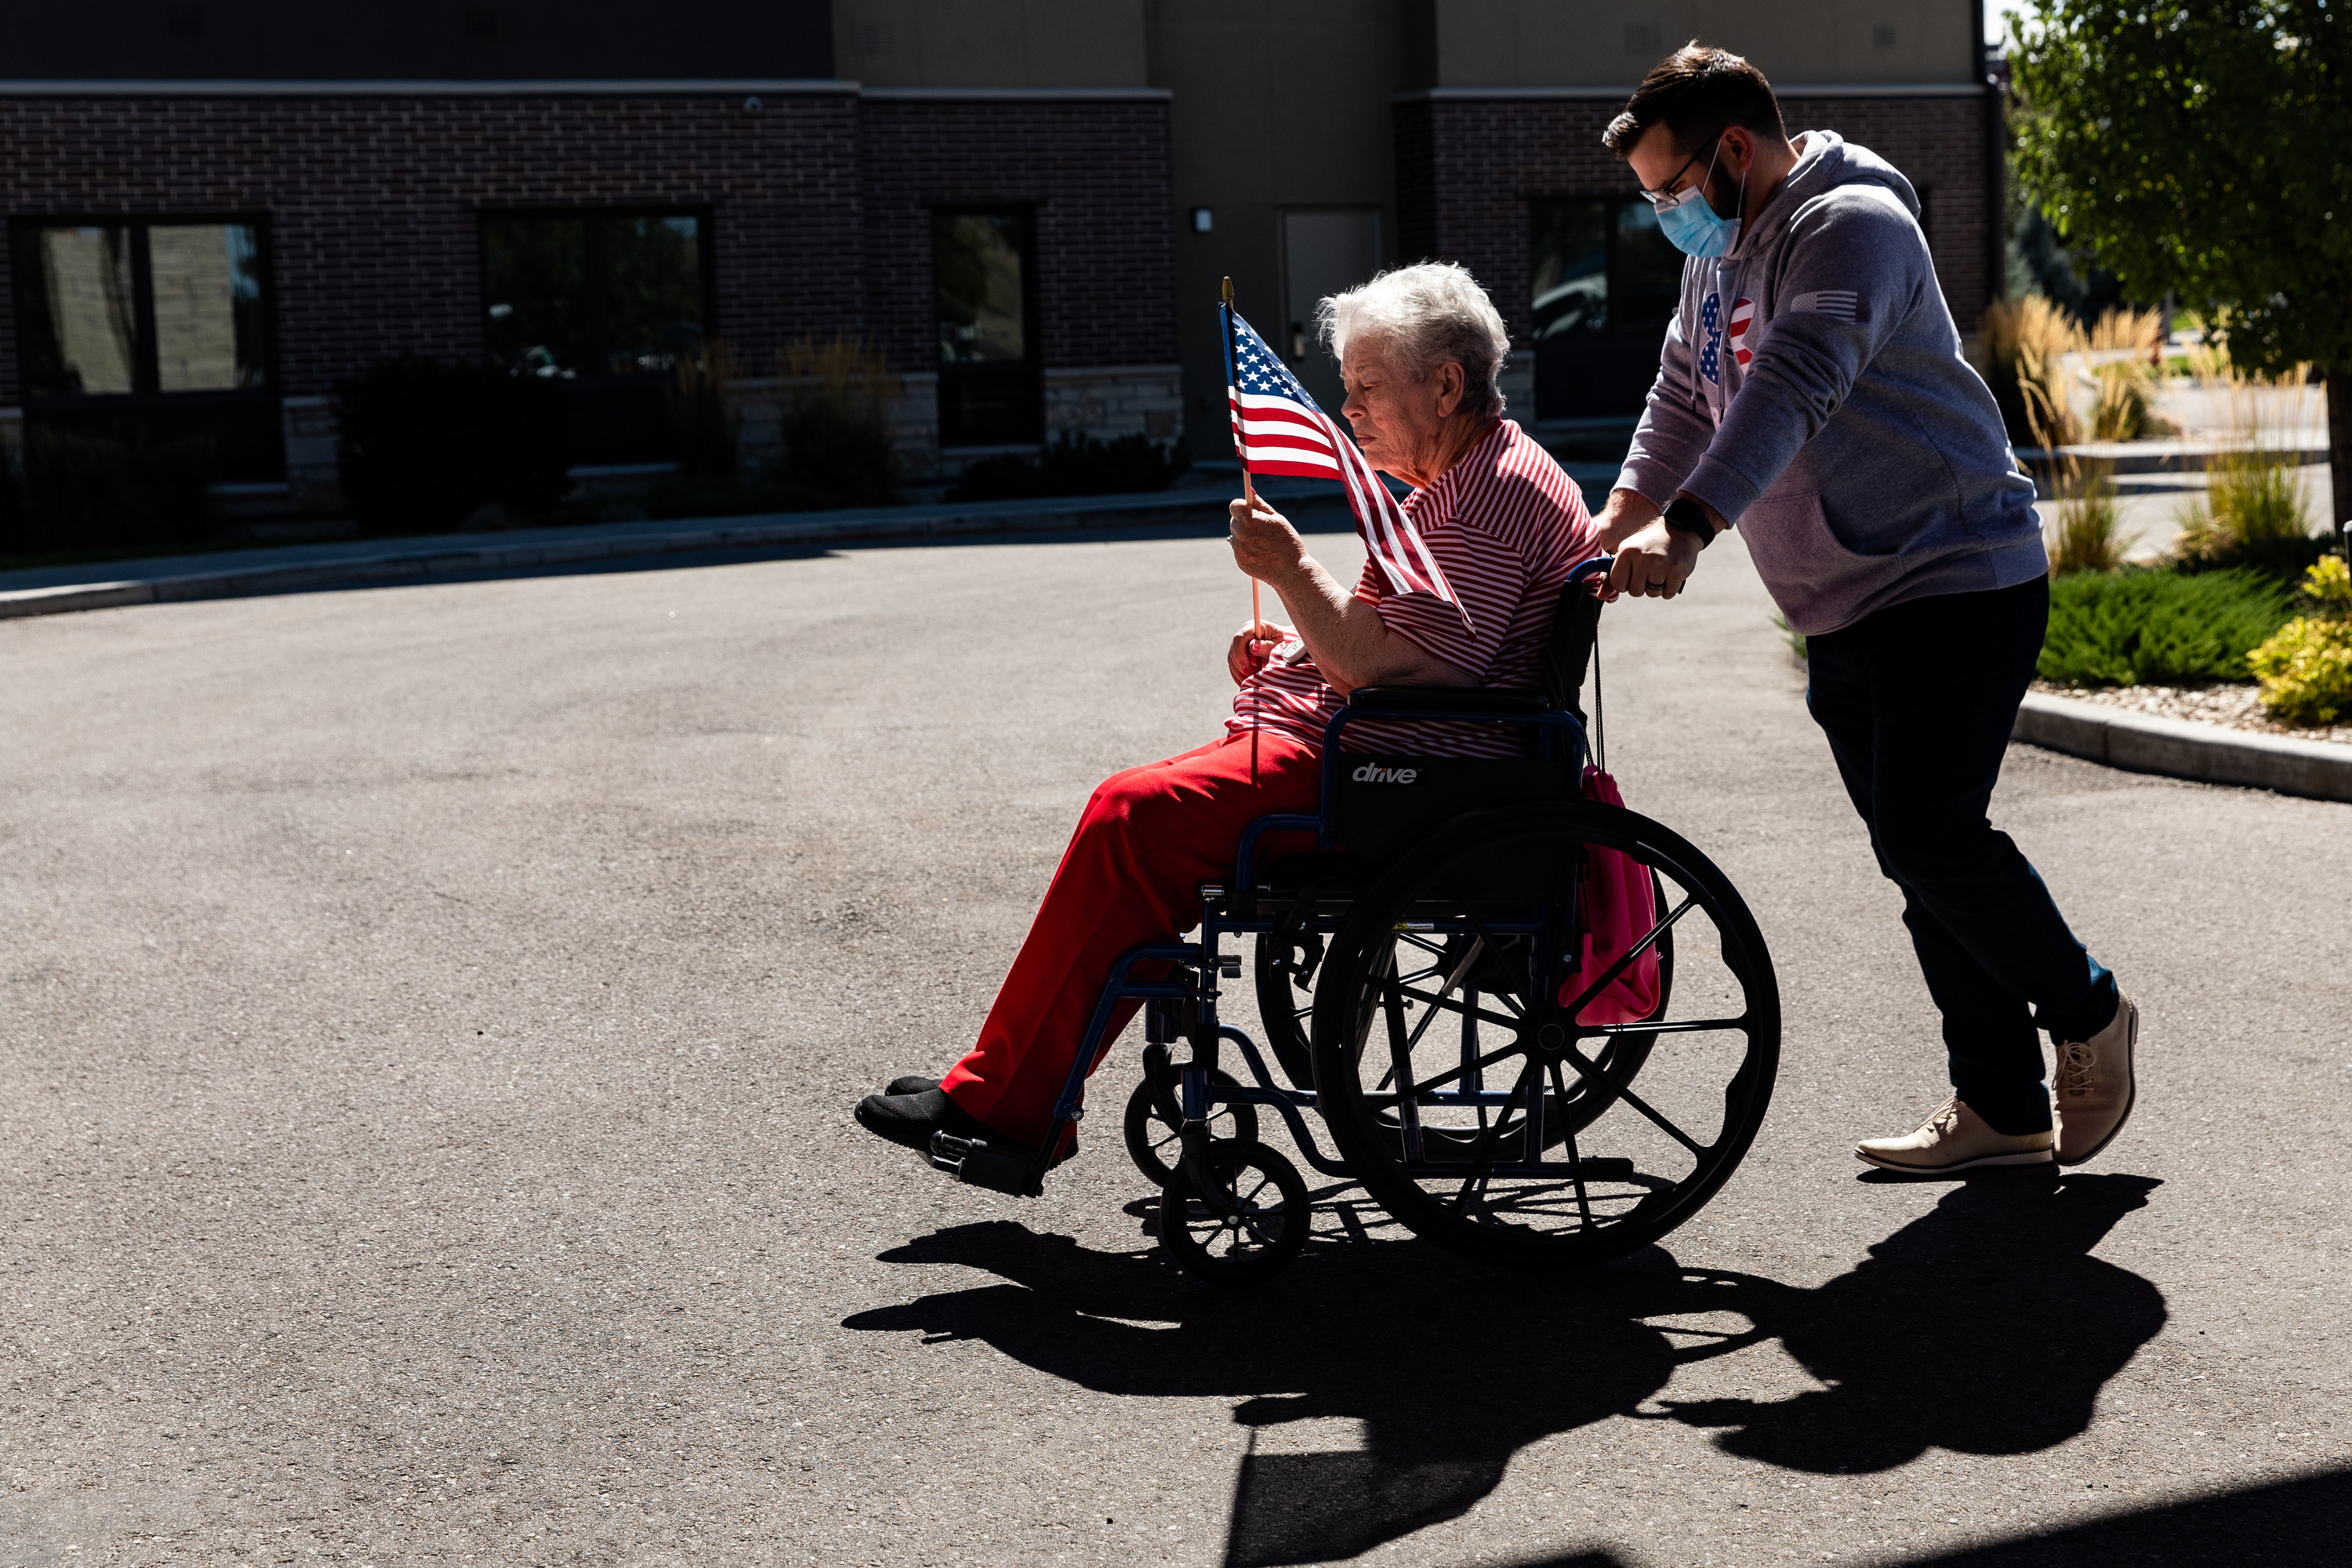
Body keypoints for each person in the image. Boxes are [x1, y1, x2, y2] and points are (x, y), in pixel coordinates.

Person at [854, 262, 1596, 1164]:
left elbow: (1398, 666)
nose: (1348, 408)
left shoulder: (1491, 493)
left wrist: (1291, 571)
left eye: (1366, 386)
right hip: (1385, 753)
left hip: (1396, 773)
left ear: (1446, 383)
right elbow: (1410, 646)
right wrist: (1296, 644)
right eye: (1345, 386)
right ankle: (1007, 1083)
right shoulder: (1476, 478)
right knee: (1134, 814)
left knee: (1130, 815)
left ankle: (1006, 1102)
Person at [1592, 45, 2137, 1173]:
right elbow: (1680, 396)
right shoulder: (1720, 255)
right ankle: (2003, 1112)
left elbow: (1797, 382)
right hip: (1839, 603)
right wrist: (1617, 517)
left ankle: (2088, 1015)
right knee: (1914, 855)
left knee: (1932, 835)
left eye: (1669, 188)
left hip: (1950, 575)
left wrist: (1687, 530)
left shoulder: (1851, 225)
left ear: (1733, 149)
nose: (1664, 213)